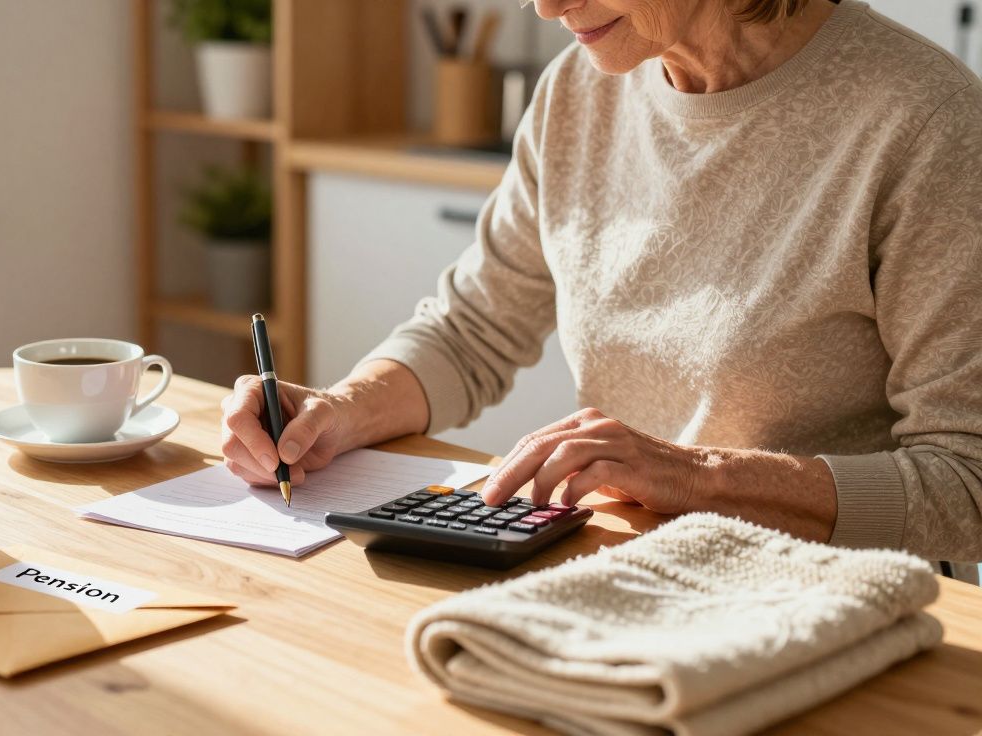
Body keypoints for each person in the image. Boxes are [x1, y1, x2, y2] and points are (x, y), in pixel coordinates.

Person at [219, 0, 982, 564]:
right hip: (630, 575)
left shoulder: (926, 123)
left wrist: (698, 478)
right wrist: (337, 412)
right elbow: (472, 328)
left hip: (841, 610)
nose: (545, 6)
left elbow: (967, 482)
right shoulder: (576, 94)